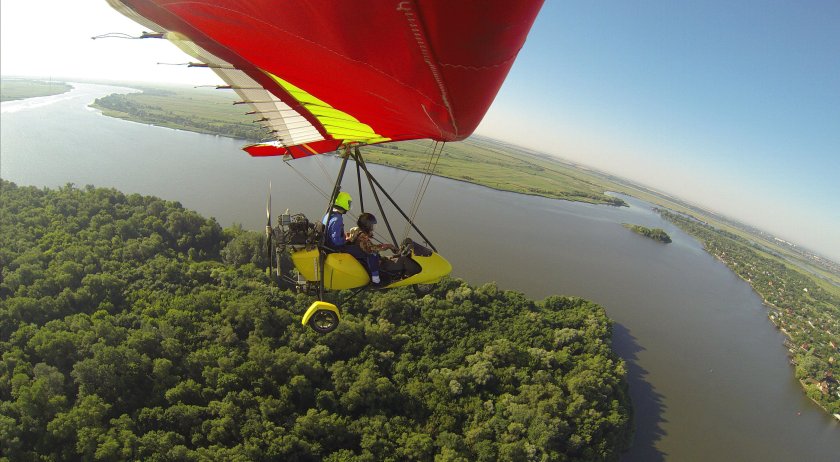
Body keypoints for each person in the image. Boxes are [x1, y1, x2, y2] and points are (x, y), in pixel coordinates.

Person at [347, 212, 396, 284]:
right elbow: (371, 249)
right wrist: (388, 246)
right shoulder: (363, 237)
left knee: (388, 257)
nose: (373, 227)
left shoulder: (356, 231)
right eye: (372, 225)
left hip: (363, 257)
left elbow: (367, 245)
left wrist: (368, 234)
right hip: (369, 261)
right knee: (373, 255)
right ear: (367, 225)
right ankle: (376, 278)